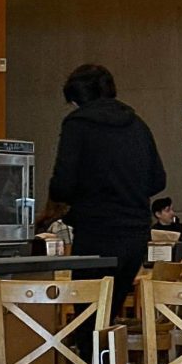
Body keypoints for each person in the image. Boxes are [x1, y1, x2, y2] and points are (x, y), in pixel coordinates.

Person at [47, 63, 166, 308]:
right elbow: (158, 180)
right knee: (108, 314)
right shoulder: (137, 124)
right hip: (135, 235)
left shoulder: (77, 124)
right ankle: (105, 347)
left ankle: (88, 347)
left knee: (87, 315)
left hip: (96, 232)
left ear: (77, 99)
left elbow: (62, 185)